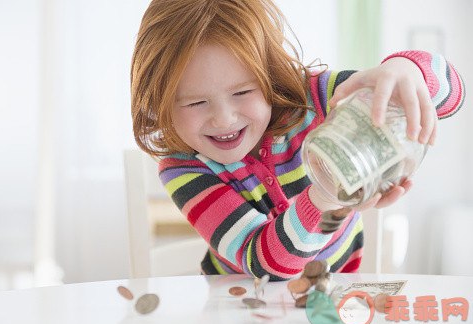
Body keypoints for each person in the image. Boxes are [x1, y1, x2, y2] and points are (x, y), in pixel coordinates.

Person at [130, 0, 465, 280]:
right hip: (237, 307)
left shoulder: (315, 97)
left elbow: (452, 95)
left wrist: (408, 72)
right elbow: (264, 266)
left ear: (271, 77)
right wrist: (324, 197)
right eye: (195, 102)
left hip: (334, 293)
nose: (224, 119)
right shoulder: (182, 167)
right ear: (161, 102)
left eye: (243, 92)